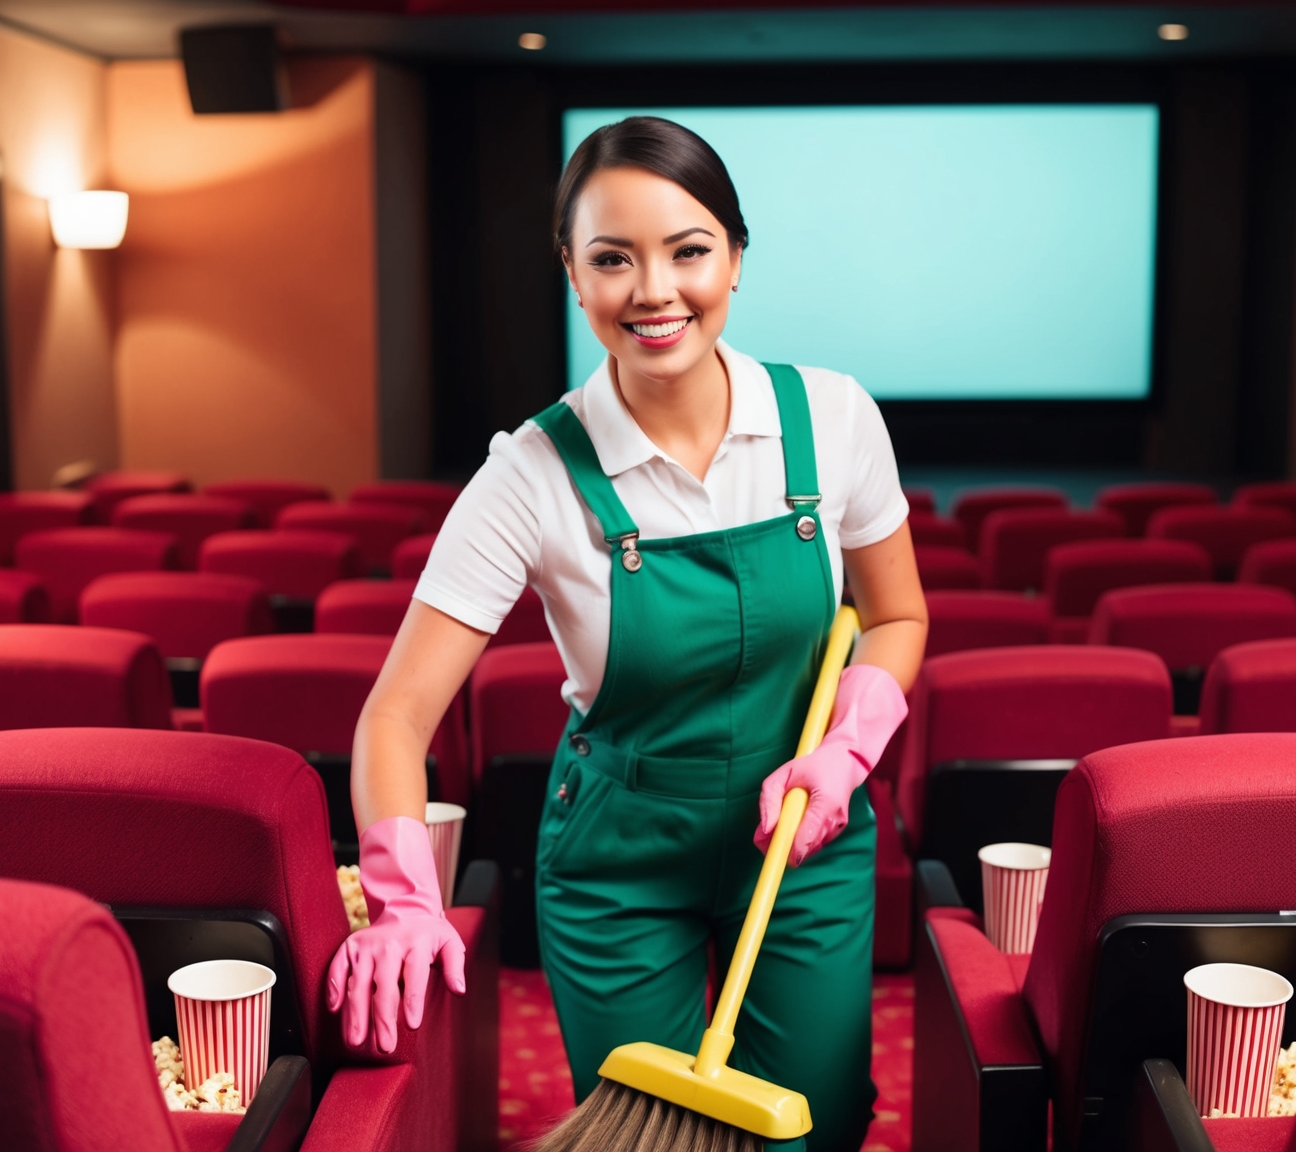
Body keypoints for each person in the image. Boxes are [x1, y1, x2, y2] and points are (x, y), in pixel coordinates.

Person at [325, 115, 926, 1152]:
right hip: (618, 856)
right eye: (614, 259)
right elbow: (395, 718)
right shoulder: (529, 475)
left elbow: (898, 615)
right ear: (573, 273)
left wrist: (846, 750)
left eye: (689, 251)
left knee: (818, 1126)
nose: (655, 291)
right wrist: (402, 899)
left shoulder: (832, 420)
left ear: (736, 256)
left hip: (802, 836)